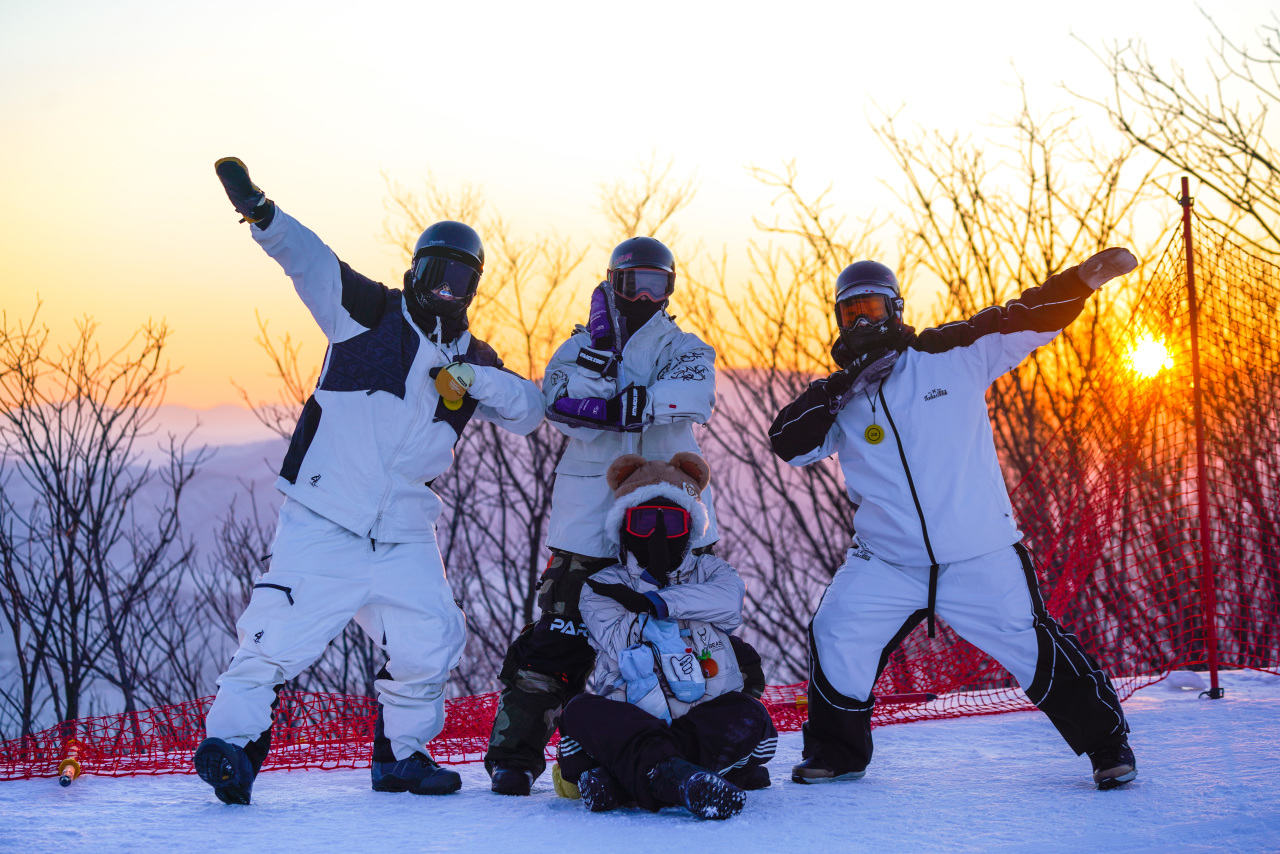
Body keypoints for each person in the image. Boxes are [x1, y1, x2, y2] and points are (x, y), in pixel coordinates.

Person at [194, 158, 543, 804]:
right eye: (438, 272)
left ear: (474, 287)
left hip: (405, 533)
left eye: (462, 278)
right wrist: (261, 212)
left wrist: (474, 382)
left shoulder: (472, 357)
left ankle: (402, 757)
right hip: (325, 518)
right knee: (275, 634)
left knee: (430, 636)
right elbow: (312, 261)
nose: (447, 288)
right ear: (417, 269)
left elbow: (529, 410)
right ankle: (234, 751)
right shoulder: (369, 313)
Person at [768, 251, 1140, 790]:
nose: (863, 322)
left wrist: (1080, 281)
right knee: (837, 630)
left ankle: (1108, 748)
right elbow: (788, 444)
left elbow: (1024, 315)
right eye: (851, 314)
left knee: (1030, 646)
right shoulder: (840, 397)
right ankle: (836, 753)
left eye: (872, 307)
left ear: (896, 308)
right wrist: (837, 390)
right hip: (888, 563)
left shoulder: (949, 353)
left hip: (980, 553)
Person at [484, 237, 721, 795]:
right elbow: (565, 409)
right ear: (612, 282)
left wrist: (614, 402)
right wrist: (613, 391)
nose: (644, 295)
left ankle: (716, 745)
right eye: (633, 282)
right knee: (559, 637)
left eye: (656, 284)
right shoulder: (576, 350)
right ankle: (514, 758)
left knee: (696, 637)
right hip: (588, 523)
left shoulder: (687, 346)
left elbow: (694, 395)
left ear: (670, 288)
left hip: (675, 521)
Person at [553, 453, 776, 820]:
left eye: (672, 522)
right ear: (625, 527)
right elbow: (622, 639)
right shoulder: (602, 585)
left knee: (751, 715)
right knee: (580, 712)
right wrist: (682, 610)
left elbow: (729, 603)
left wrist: (655, 602)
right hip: (630, 717)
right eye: (643, 522)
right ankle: (679, 777)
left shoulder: (712, 570)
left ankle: (631, 779)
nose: (658, 535)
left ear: (690, 527)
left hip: (703, 716)